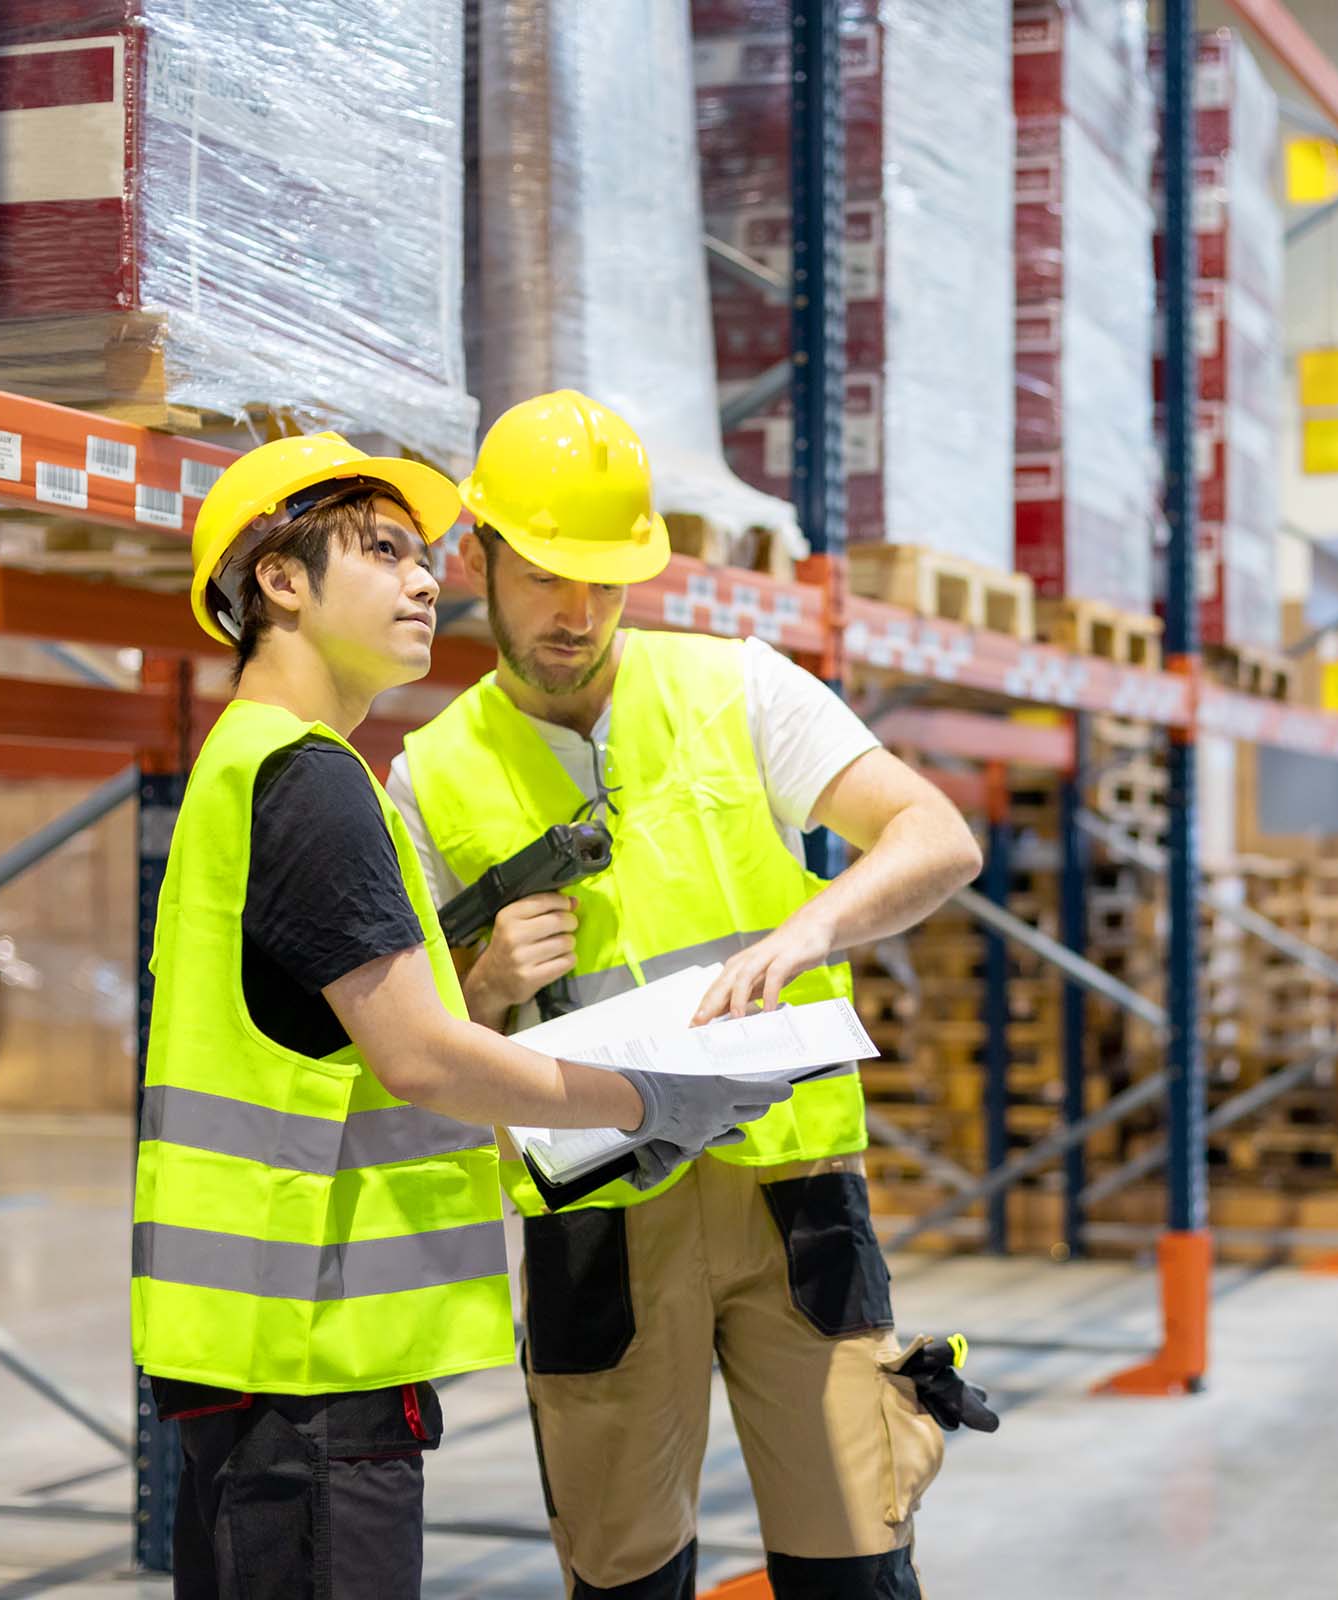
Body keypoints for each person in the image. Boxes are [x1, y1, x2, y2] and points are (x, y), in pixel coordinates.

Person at [133, 432, 792, 1599]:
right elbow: (424, 1058)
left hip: (266, 1360)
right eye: (385, 552)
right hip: (315, 1361)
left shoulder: (250, 765)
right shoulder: (314, 782)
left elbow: (338, 1047)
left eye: (427, 556)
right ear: (280, 581)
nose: (429, 580)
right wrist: (654, 1099)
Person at [387, 391, 987, 1599]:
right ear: (480, 558)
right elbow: (409, 1037)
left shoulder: (739, 687)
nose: (578, 613)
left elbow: (938, 836)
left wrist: (811, 926)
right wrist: (487, 976)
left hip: (792, 1194)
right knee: (625, 1577)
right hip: (594, 1218)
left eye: (606, 579)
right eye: (550, 575)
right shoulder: (428, 773)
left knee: (858, 1566)